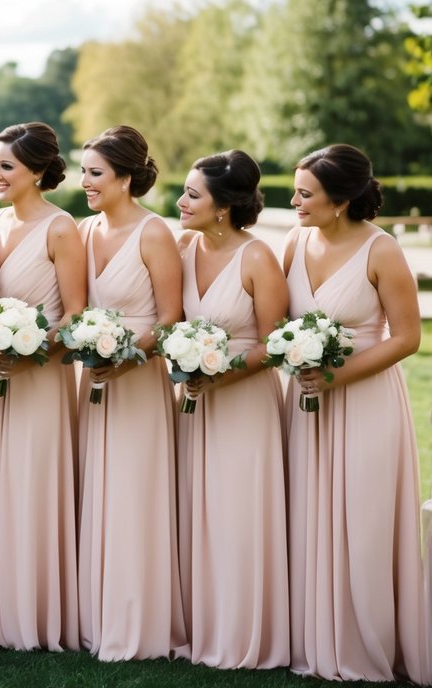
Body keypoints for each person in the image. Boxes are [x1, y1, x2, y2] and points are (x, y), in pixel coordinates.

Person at [284, 144, 426, 683]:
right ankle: (312, 637)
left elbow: (409, 338)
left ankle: (367, 643)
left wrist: (336, 375)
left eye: (305, 193)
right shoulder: (294, 243)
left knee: (362, 522)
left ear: (340, 200)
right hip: (305, 404)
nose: (294, 201)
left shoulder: (381, 250)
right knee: (309, 513)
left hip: (365, 400)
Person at [173, 150, 289, 669]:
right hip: (194, 404)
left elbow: (273, 343)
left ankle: (246, 632)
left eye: (193, 194)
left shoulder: (258, 258)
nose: (181, 201)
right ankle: (202, 626)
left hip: (242, 403)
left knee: (239, 513)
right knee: (198, 509)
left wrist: (218, 373)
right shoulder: (181, 248)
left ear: (224, 206)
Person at [76, 125, 185, 661]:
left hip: (137, 382)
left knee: (134, 494)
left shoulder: (154, 233)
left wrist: (124, 357)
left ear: (125, 176)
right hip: (94, 385)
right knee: (98, 489)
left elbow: (170, 319)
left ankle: (140, 619)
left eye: (95, 173)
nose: (85, 182)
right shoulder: (84, 230)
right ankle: (99, 614)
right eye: (83, 172)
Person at [0, 122, 84, 652]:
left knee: (34, 484)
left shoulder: (61, 228)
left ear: (38, 172)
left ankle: (39, 613)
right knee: (1, 484)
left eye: (7, 166)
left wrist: (33, 353)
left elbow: (75, 316)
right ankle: (0, 608)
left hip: (41, 378)